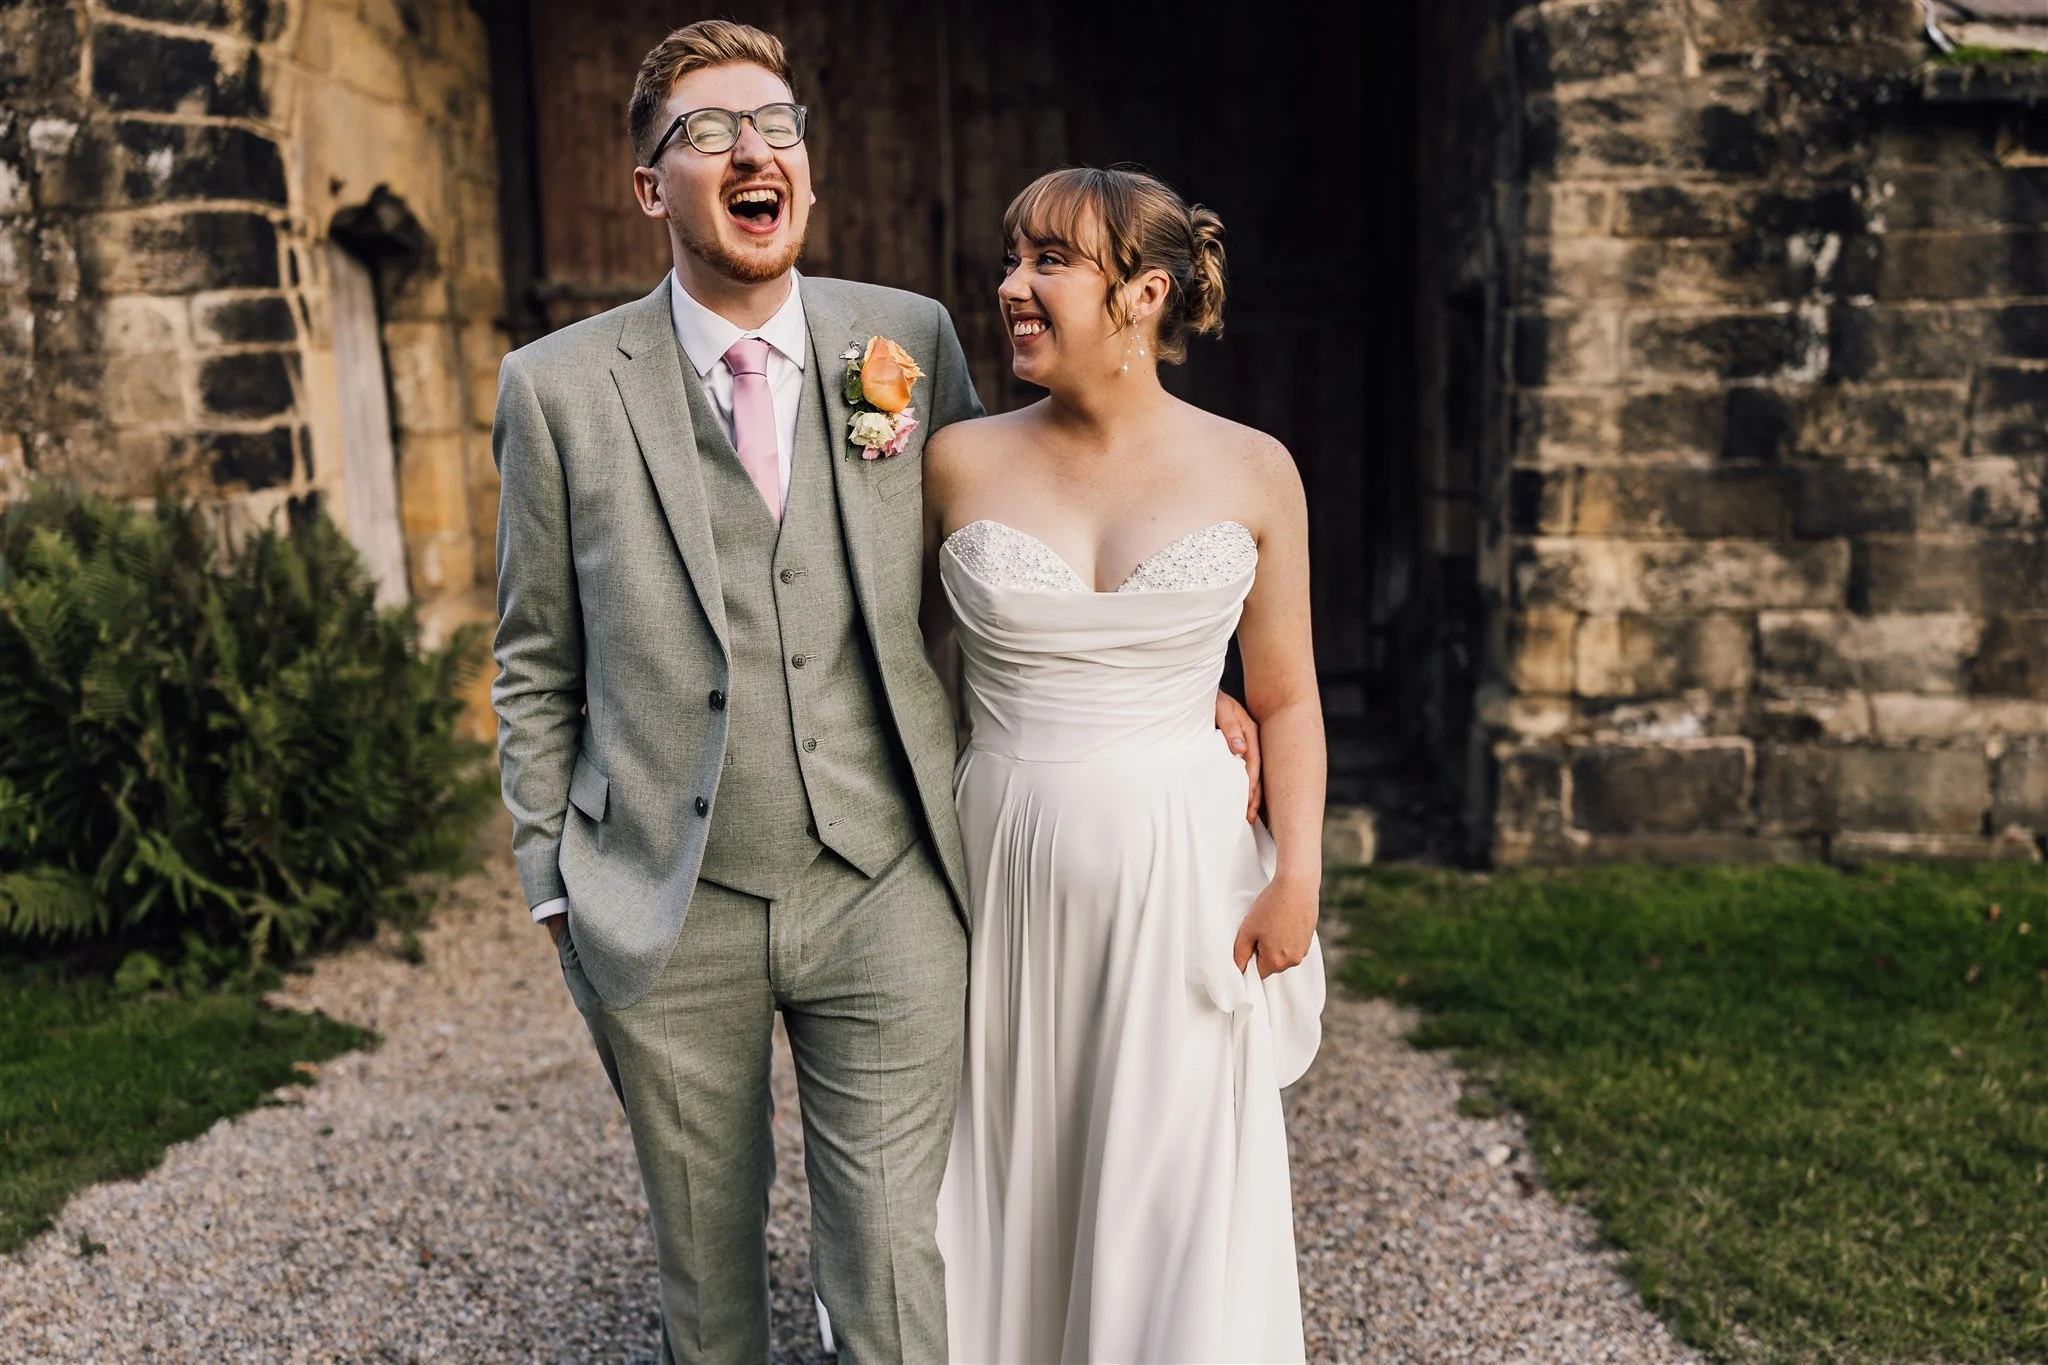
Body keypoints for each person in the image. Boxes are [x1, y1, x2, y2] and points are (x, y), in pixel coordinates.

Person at [489, 23, 1260, 1361]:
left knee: (899, 1256)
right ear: (647, 188)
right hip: (669, 901)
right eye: (708, 132)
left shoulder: (901, 340)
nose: (753, 150)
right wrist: (555, 877)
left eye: (777, 124)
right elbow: (535, 656)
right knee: (706, 1264)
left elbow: (1001, 538)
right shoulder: (554, 391)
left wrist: (1165, 679)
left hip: (888, 879)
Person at [928, 167, 1327, 1363]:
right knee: (1002, 1173)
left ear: (1144, 293)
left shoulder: (1253, 470)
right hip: (995, 867)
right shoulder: (952, 462)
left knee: (1170, 1190)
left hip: (1182, 876)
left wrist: (1295, 873)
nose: (1011, 287)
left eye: (1048, 262)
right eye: (1011, 258)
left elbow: (1288, 694)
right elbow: (870, 659)